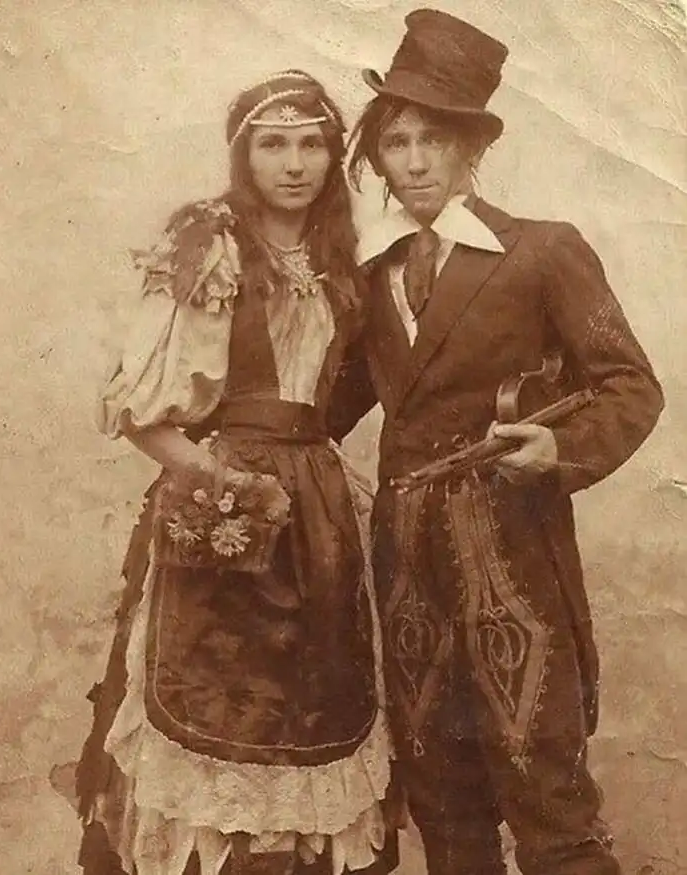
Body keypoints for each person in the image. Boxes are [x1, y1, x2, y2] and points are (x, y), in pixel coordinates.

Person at [327, 10, 665, 875]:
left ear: (473, 147)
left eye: (435, 140)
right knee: (443, 805)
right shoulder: (371, 274)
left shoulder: (543, 252)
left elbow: (631, 384)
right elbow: (324, 409)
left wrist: (559, 449)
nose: (414, 162)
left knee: (548, 797)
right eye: (396, 142)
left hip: (512, 558)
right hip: (407, 566)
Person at [75, 70, 397, 875]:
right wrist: (226, 485)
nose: (294, 164)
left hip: (321, 511)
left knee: (313, 706)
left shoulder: (347, 257)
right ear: (243, 155)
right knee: (215, 698)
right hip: (227, 500)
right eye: (273, 144)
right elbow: (143, 412)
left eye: (312, 144)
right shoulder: (211, 242)